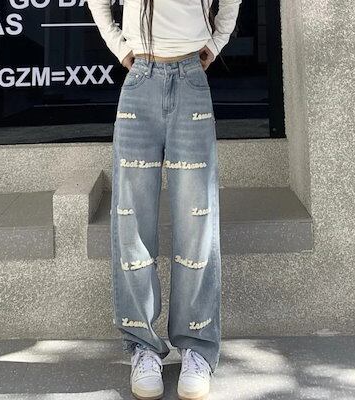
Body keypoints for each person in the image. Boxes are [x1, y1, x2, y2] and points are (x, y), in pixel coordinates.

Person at [88, 1, 242, 399]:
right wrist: (120, 47)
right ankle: (142, 346)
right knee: (132, 220)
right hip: (140, 78)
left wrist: (217, 41)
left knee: (197, 221)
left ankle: (197, 348)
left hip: (191, 78)